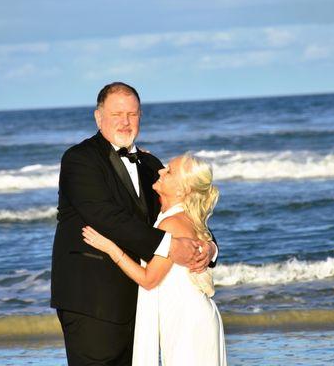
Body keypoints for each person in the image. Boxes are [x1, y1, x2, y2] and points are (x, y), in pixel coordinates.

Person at [50, 82, 218, 365]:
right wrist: (169, 247)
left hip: (143, 302)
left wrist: (209, 249)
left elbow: (183, 214)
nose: (125, 122)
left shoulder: (151, 165)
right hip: (92, 299)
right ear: (98, 117)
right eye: (117, 114)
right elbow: (106, 217)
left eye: (133, 114)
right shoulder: (79, 160)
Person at [83, 154, 227, 365]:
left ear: (183, 189)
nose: (160, 171)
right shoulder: (182, 216)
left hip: (187, 322)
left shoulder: (171, 223)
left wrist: (111, 249)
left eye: (169, 171)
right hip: (188, 318)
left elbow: (149, 279)